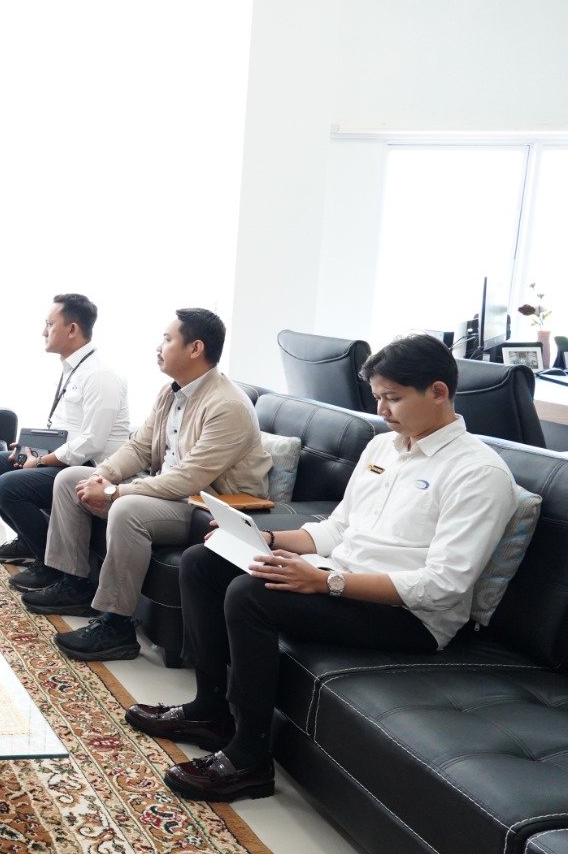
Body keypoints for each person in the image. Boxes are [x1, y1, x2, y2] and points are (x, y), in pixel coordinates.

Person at [128, 334, 516, 802]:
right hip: (338, 577)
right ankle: (211, 711)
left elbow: (443, 585)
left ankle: (250, 759)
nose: (382, 410)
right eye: (377, 397)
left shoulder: (478, 472)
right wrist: (267, 539)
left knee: (251, 596)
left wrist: (325, 582)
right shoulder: (382, 447)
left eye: (393, 398)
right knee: (203, 561)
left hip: (409, 617)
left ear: (438, 392)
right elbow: (337, 529)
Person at [23, 308, 272, 662]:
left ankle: (117, 627)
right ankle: (74, 585)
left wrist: (115, 492)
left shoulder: (227, 405)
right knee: (69, 479)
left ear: (195, 348)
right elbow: (139, 446)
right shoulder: (170, 393)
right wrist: (101, 475)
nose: (159, 347)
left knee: (126, 509)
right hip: (166, 490)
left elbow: (189, 478)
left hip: (206, 505)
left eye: (168, 339)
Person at [0, 293, 131, 574]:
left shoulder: (101, 376)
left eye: (49, 324)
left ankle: (51, 565)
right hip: (67, 459)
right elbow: (67, 428)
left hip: (90, 469)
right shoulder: (74, 368)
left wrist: (41, 461)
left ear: (72, 329)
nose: (43, 331)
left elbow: (92, 442)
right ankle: (29, 543)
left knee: (8, 485)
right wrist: (31, 446)